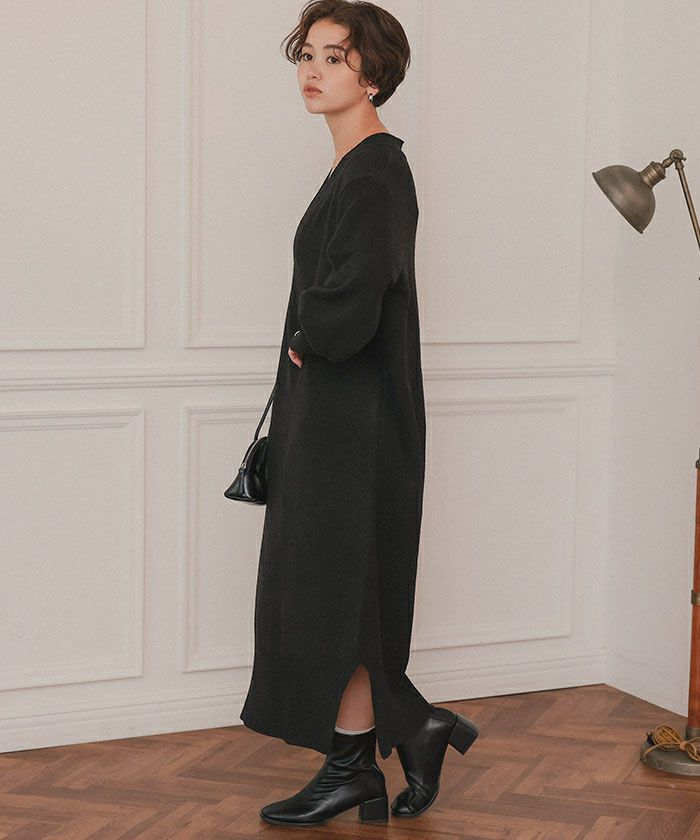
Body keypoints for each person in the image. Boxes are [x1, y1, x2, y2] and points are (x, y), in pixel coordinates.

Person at [239, 0, 479, 827]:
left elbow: (357, 294)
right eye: (307, 55)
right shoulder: (358, 166)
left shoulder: (375, 171)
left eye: (334, 58)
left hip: (357, 426)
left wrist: (312, 335)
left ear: (372, 74)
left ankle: (368, 757)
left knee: (339, 595)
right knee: (339, 594)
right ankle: (385, 749)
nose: (312, 71)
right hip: (338, 419)